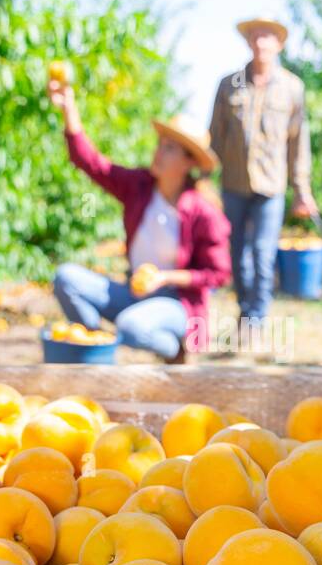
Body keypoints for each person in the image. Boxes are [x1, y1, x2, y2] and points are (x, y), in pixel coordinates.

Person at [48, 76, 230, 363]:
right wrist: (68, 108)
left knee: (131, 327)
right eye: (160, 144)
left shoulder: (202, 211)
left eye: (170, 148)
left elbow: (218, 274)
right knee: (65, 278)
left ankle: (177, 351)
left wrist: (164, 278)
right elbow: (93, 164)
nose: (158, 152)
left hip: (177, 303)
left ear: (189, 162)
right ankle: (95, 349)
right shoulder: (140, 187)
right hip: (134, 292)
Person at [209, 16, 316, 325]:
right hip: (234, 183)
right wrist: (201, 179)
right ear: (248, 42)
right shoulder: (229, 85)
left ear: (278, 44)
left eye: (267, 37)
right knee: (237, 253)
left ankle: (258, 317)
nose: (261, 42)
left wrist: (302, 190)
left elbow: (298, 143)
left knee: (263, 253)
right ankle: (246, 310)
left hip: (271, 185)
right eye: (255, 36)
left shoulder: (292, 87)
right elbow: (215, 135)